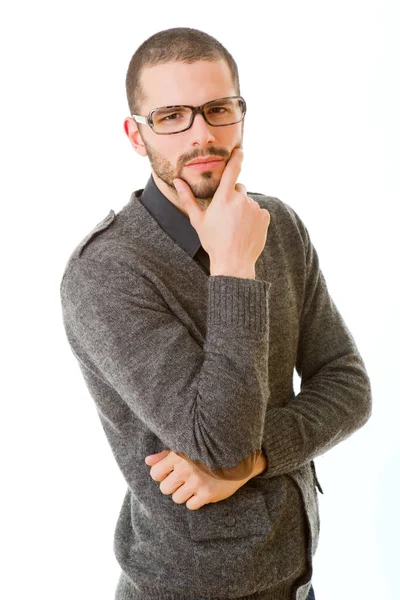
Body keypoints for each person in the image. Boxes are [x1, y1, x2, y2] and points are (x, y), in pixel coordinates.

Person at [59, 27, 372, 600]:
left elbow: (350, 387)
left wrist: (256, 461)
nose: (202, 134)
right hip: (186, 588)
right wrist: (232, 268)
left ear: (241, 115)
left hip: (296, 577)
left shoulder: (278, 226)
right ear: (136, 134)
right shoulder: (105, 272)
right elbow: (219, 443)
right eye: (172, 116)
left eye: (218, 110)